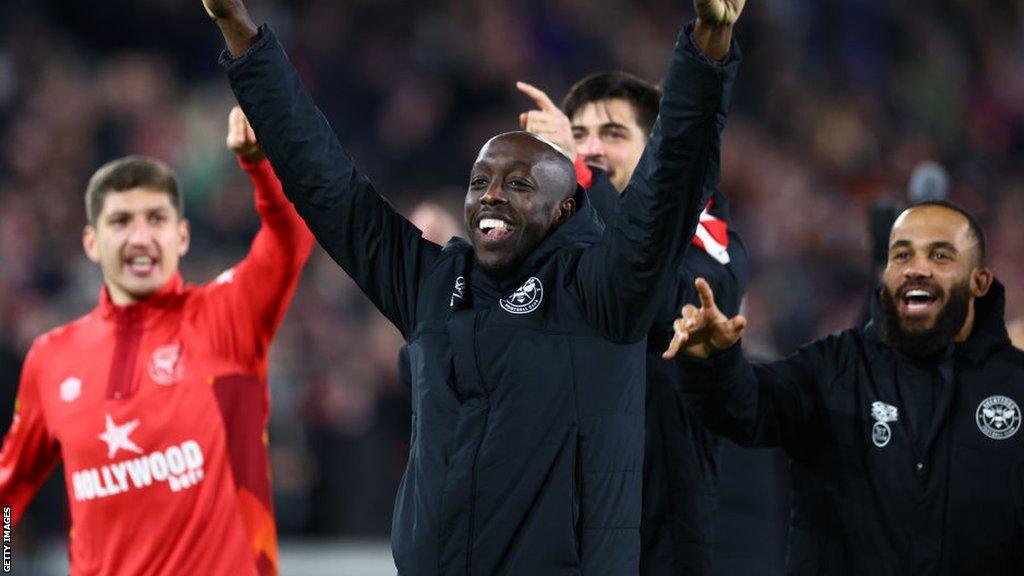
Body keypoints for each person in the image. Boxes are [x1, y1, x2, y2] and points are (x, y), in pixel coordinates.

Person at [201, 0, 745, 572]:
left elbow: (670, 181)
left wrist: (708, 44)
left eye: (518, 184)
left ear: (563, 210)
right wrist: (240, 30)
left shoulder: (602, 291)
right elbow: (328, 186)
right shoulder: (433, 285)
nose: (490, 195)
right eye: (480, 181)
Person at [0, 107, 314, 576]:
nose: (140, 237)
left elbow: (290, 238)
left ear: (182, 236)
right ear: (91, 241)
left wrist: (259, 163)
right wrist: (5, 560)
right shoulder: (52, 357)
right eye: (121, 221)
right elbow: (10, 493)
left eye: (156, 219)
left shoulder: (226, 317)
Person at [664, 201, 1024, 574]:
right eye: (902, 255)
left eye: (940, 255)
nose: (917, 269)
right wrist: (713, 360)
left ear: (979, 281)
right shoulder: (834, 369)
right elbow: (745, 405)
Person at [516, 71, 748, 574]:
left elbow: (670, 307)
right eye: (578, 136)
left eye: (614, 135)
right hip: (557, 528)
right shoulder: (538, 244)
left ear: (655, 154)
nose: (593, 149)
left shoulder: (703, 230)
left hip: (661, 530)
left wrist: (581, 177)